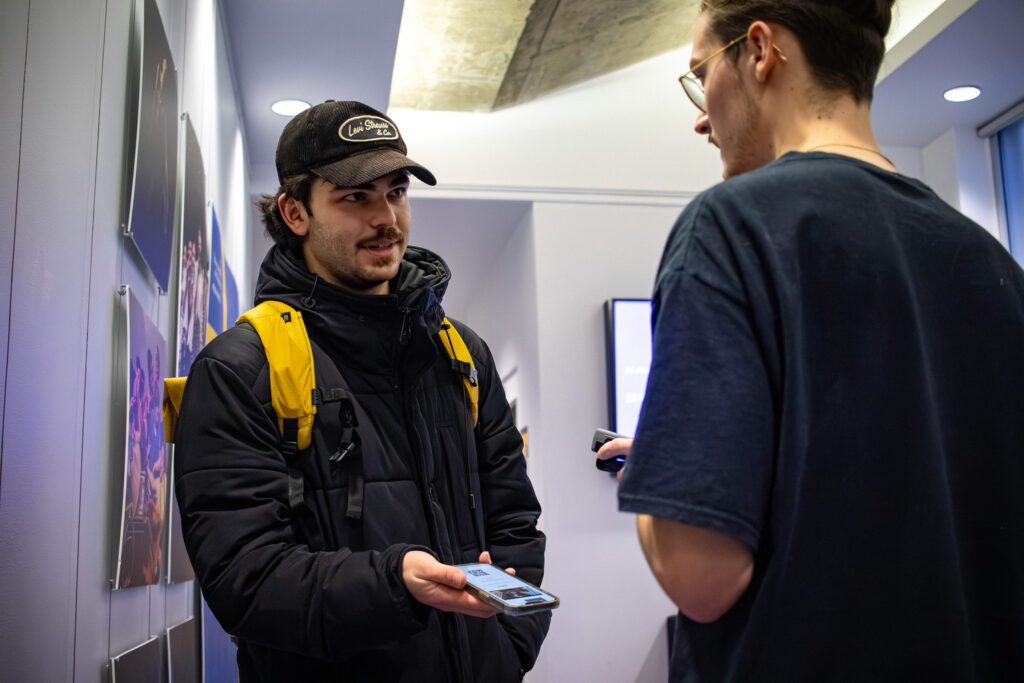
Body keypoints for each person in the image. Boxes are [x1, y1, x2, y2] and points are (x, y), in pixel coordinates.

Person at [600, 1, 1024, 680]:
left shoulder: (732, 228)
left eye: (701, 74)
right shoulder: (992, 262)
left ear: (761, 51)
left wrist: (659, 470)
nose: (701, 115)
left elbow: (701, 576)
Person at [173, 100, 549, 682]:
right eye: (355, 197)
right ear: (295, 213)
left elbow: (515, 522)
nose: (387, 219)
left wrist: (507, 649)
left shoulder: (461, 354)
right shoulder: (240, 369)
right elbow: (244, 579)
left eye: (396, 192)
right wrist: (394, 583)